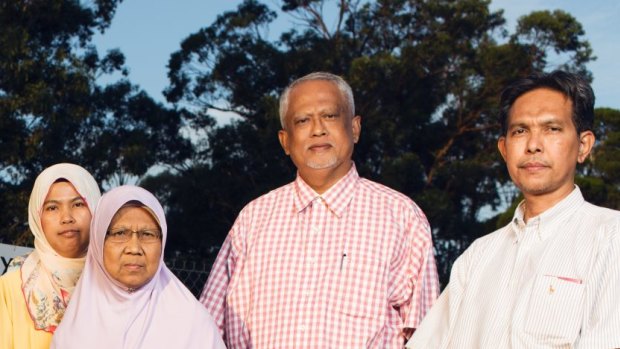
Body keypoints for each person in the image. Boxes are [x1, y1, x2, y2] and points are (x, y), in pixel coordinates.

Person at [200, 71, 440, 348]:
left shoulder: (401, 217)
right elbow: (206, 330)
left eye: (330, 116)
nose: (317, 129)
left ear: (355, 128)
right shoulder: (252, 220)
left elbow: (427, 336)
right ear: (285, 141)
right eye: (302, 120)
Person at [407, 70, 620, 348]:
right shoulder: (477, 257)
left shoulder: (610, 238)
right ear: (504, 149)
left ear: (583, 145)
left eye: (552, 129)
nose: (533, 145)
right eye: (520, 131)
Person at [51, 185, 225, 349]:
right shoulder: (75, 329)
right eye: (120, 233)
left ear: (162, 242)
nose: (134, 248)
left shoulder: (193, 323)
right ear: (98, 242)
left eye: (147, 234)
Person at [0, 163, 101, 348]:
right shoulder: (9, 290)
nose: (66, 217)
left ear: (96, 210)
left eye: (78, 204)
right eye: (52, 208)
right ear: (38, 218)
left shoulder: (119, 286)